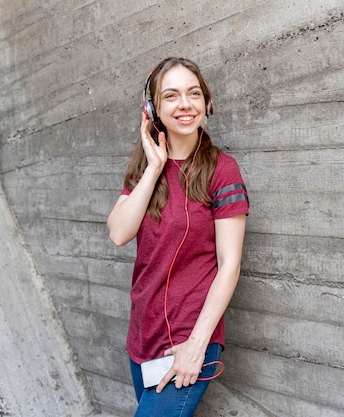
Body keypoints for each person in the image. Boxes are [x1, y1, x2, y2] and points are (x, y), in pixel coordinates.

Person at [107, 57, 249, 417]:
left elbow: (229, 265)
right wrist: (155, 168)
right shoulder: (144, 167)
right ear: (153, 109)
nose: (185, 104)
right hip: (142, 336)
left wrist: (196, 345)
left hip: (189, 337)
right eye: (171, 96)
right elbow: (119, 233)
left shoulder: (222, 170)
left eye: (194, 93)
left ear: (207, 103)